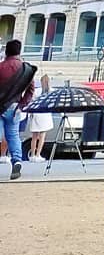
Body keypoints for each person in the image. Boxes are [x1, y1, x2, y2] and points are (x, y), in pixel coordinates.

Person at [0, 39, 35, 180]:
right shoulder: (26, 69)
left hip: (0, 106)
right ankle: (17, 160)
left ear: (6, 51)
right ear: (19, 51)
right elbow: (31, 89)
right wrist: (22, 104)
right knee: (13, 135)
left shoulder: (1, 67)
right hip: (15, 107)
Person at [26, 72, 54, 161]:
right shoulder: (51, 91)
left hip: (36, 114)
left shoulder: (37, 91)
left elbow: (32, 101)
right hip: (45, 115)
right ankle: (38, 154)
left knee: (34, 136)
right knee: (42, 136)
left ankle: (33, 155)